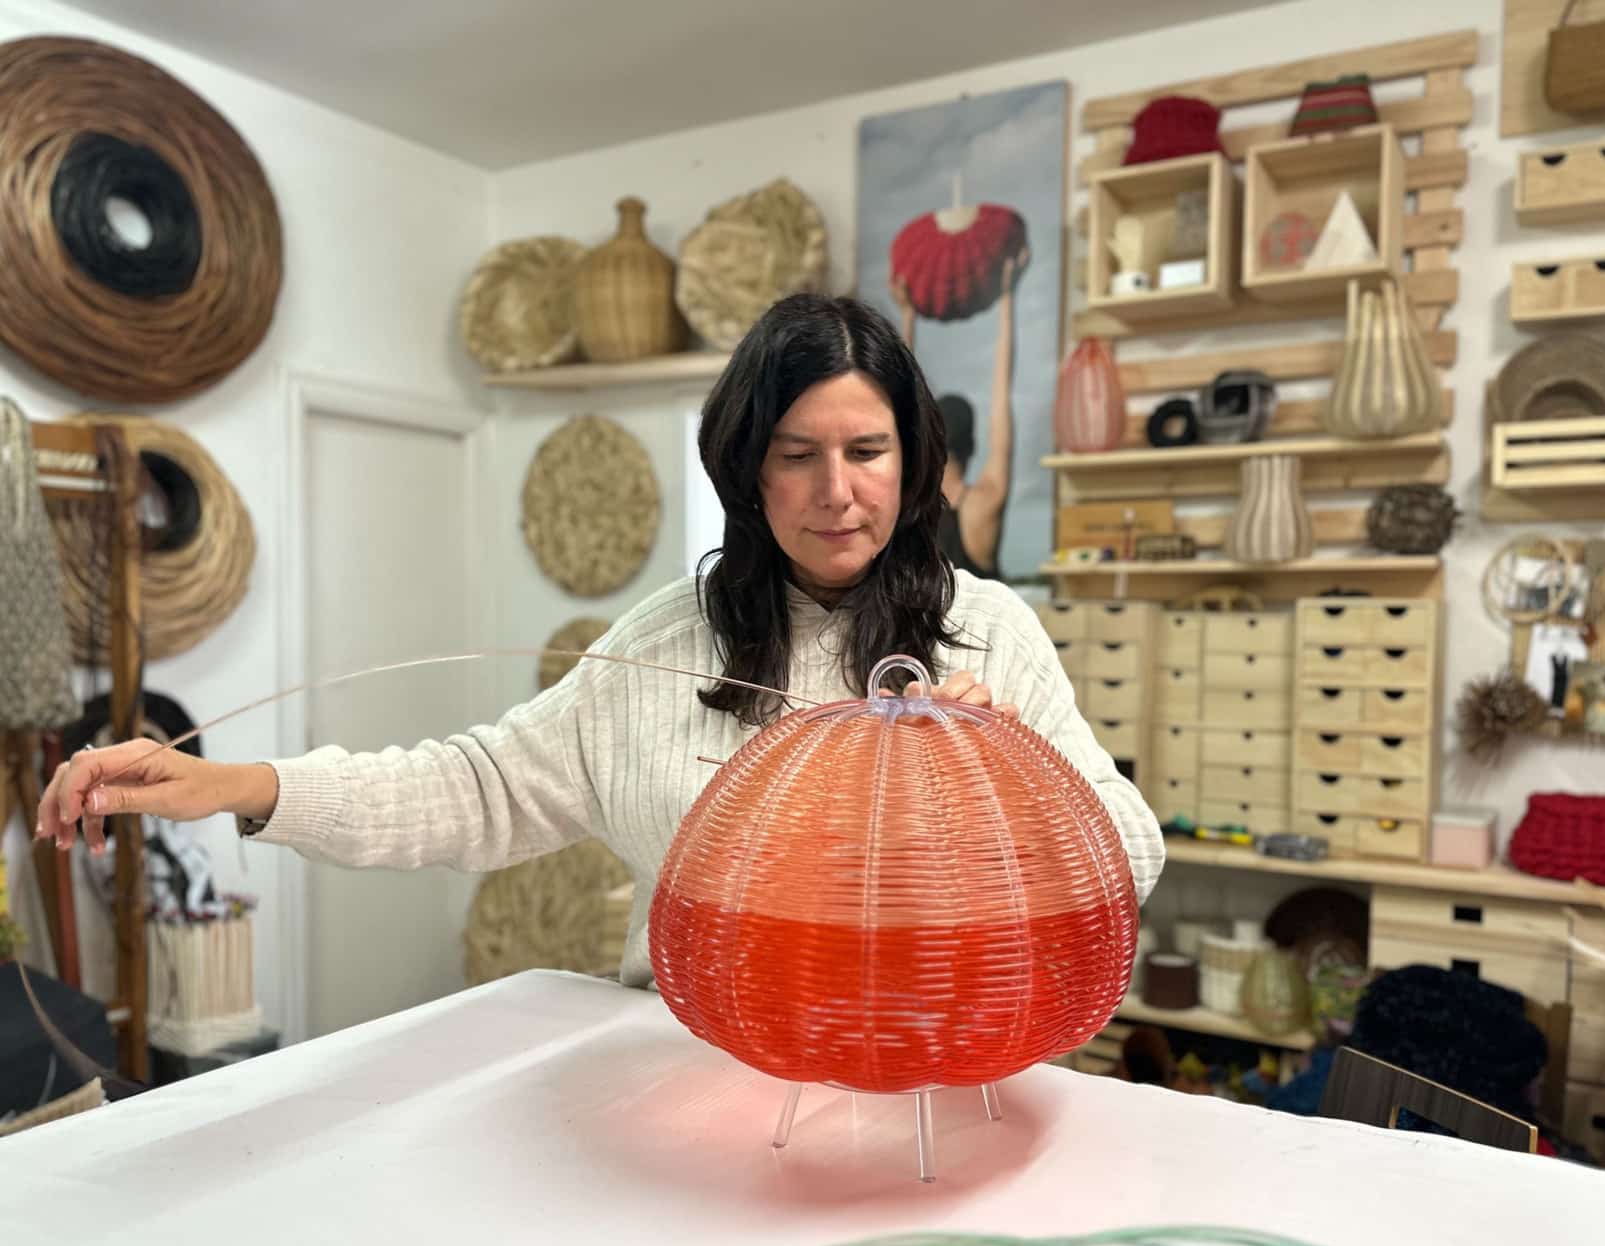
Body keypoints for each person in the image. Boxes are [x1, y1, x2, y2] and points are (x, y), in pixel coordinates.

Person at [35, 294, 1163, 991]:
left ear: (910, 461)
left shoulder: (988, 633)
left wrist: (1014, 786)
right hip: (682, 1084)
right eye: (795, 454)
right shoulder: (668, 639)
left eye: (866, 450)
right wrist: (234, 783)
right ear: (744, 467)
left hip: (928, 1082)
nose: (837, 493)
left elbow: (1130, 845)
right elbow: (477, 789)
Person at [891, 248, 1025, 581]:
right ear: (972, 444)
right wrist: (1007, 296)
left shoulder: (911, 508)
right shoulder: (985, 501)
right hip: (981, 635)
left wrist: (908, 314)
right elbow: (1001, 391)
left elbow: (901, 398)